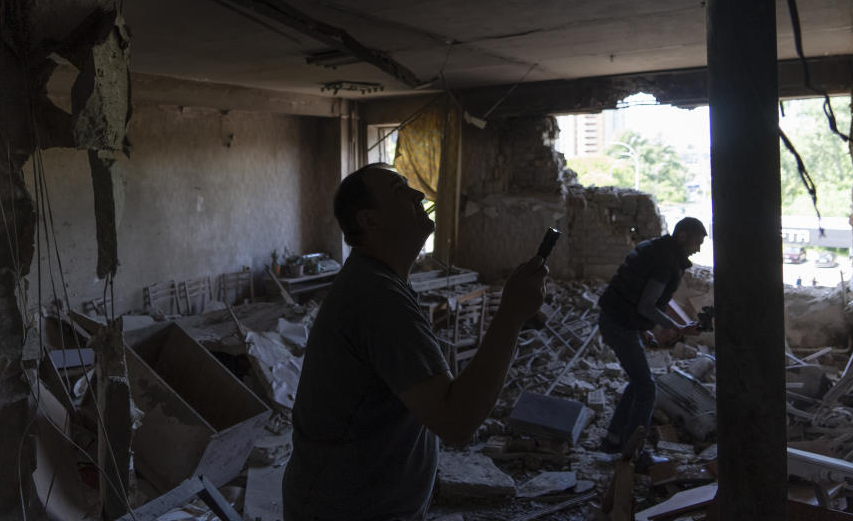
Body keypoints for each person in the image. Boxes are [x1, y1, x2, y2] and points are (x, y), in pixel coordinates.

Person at [282, 163, 548, 521]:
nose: (418, 195)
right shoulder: (377, 297)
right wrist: (512, 314)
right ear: (369, 222)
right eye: (399, 191)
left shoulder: (382, 283)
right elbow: (456, 421)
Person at [596, 217, 707, 471]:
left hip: (616, 319)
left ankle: (614, 441)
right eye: (696, 242)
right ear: (681, 237)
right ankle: (634, 455)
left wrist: (643, 330)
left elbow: (635, 294)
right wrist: (676, 327)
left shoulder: (656, 248)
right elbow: (646, 305)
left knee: (639, 382)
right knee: (647, 388)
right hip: (618, 324)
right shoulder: (666, 262)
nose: (697, 249)